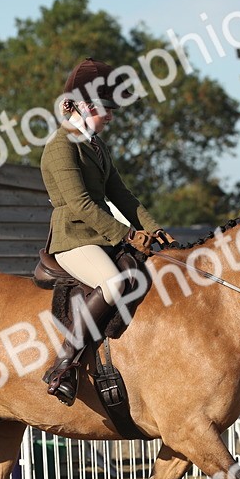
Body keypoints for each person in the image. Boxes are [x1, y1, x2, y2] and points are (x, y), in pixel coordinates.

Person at [39, 56, 168, 405]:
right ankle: (63, 364)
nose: (111, 115)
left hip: (99, 235)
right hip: (73, 238)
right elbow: (81, 204)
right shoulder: (60, 147)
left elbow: (122, 195)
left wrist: (155, 231)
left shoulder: (97, 146)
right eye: (106, 108)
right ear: (83, 106)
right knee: (114, 282)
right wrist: (127, 235)